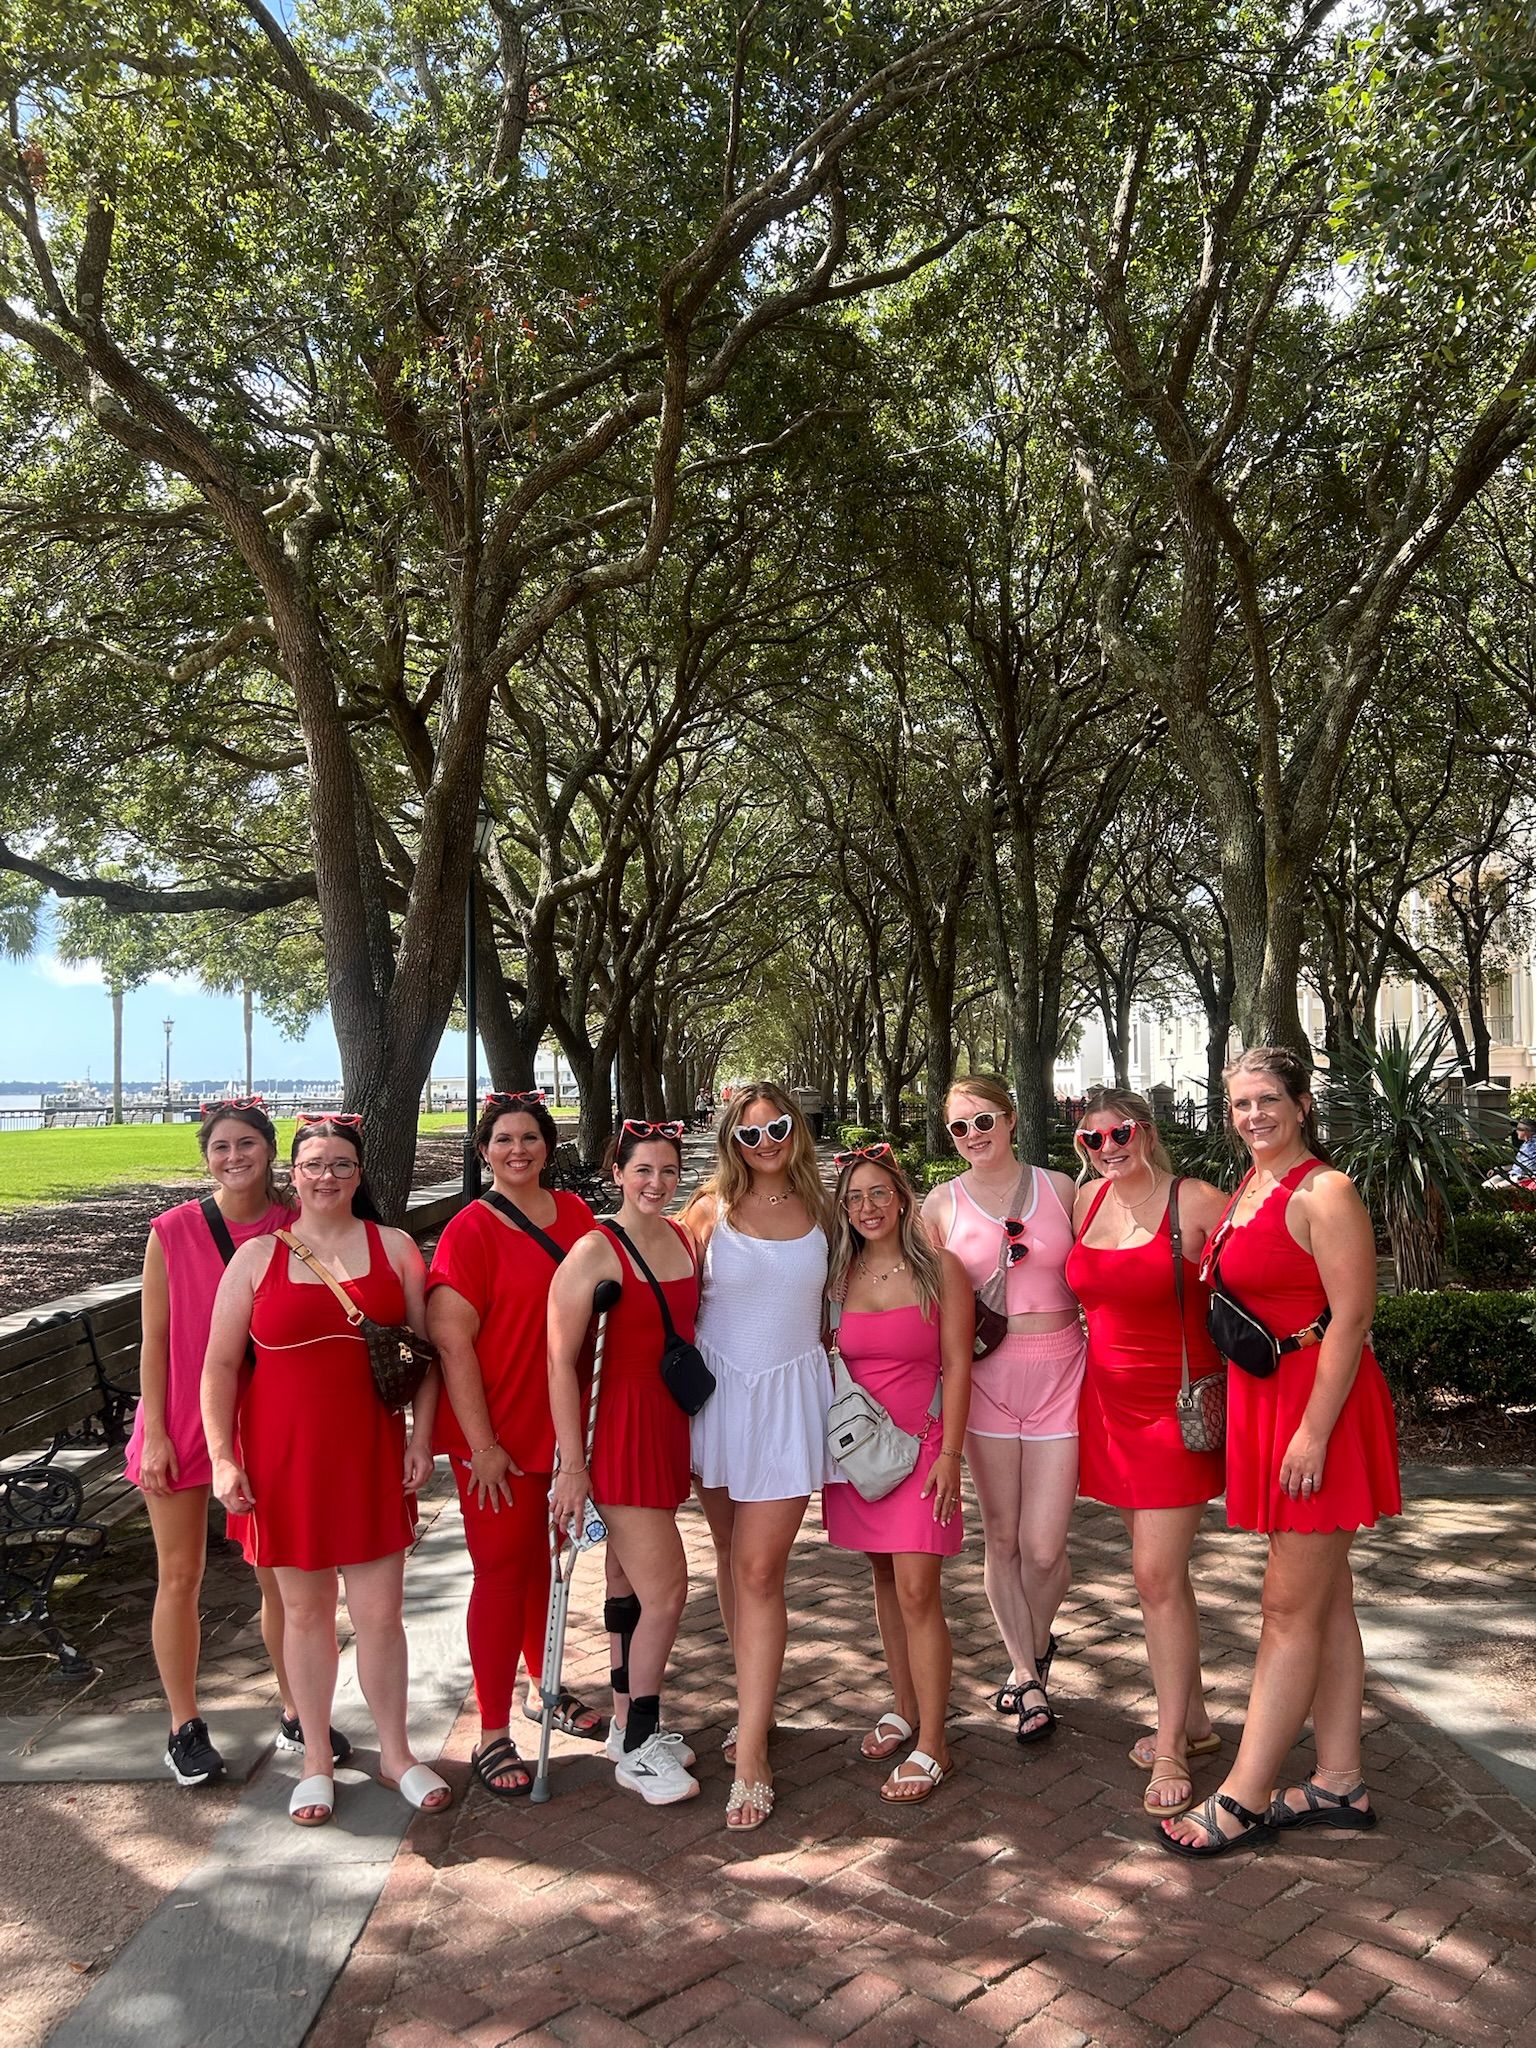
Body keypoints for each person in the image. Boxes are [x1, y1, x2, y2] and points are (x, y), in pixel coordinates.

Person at [1158, 1047, 1401, 1857]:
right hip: (1270, 1406)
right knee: (1326, 1599)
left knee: (1286, 1609)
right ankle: (1340, 1781)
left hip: (1315, 1410)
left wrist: (1313, 1431)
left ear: (1301, 1104)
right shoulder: (1252, 1186)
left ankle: (1247, 1794)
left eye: (1267, 1100)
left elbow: (1354, 1317)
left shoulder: (1325, 1190)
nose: (1253, 1115)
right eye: (1238, 1104)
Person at [201, 1115, 450, 1827]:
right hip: (282, 1462)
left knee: (380, 1617)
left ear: (359, 1173)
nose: (327, 1176)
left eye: (341, 1164)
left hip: (370, 1454)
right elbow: (218, 1367)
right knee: (306, 1616)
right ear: (294, 1173)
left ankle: (396, 1752)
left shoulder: (395, 1249)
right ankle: (315, 1757)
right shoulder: (255, 1260)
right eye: (313, 1164)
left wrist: (420, 1440)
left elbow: (422, 1357)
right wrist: (223, 1458)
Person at [125, 1099, 345, 1787]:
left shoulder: (294, 1226)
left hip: (268, 1425)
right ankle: (183, 1724)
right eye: (220, 1147)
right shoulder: (174, 1230)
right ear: (206, 1156)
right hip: (184, 1423)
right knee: (180, 1575)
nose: (234, 1157)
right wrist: (155, 1428)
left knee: (277, 1580)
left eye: (246, 1144)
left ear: (270, 1151)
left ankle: (295, 1710)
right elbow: (156, 1340)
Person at [421, 1090, 602, 1802]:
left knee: (543, 1562)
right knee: (500, 1569)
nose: (517, 1149)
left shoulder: (578, 1217)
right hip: (493, 1432)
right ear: (483, 1150)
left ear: (547, 1146)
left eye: (529, 1137)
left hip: (560, 1426)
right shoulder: (471, 1229)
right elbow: (450, 1338)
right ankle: (491, 1730)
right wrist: (482, 1443)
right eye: (503, 1140)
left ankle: (543, 1685)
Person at [1065, 1088, 1227, 1820]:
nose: (1108, 1148)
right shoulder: (1085, 1205)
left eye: (1120, 1133)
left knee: (1155, 1577)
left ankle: (1167, 1749)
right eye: (1092, 1140)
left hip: (1173, 1413)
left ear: (1148, 1132)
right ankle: (1192, 1723)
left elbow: (1272, 1270)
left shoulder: (1193, 1201)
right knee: (1160, 1579)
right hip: (1106, 1409)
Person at [682, 1081, 833, 1830]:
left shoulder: (825, 1210)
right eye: (749, 1135)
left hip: (788, 1401)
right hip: (718, 1399)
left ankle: (751, 1756)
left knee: (760, 1568)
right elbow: (660, 1283)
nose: (766, 1142)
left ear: (795, 1129)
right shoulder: (709, 1209)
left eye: (776, 1128)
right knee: (728, 1556)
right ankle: (754, 1709)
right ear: (730, 1143)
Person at [919, 1075, 1081, 1745]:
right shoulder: (939, 1205)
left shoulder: (1064, 1190)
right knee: (1004, 1540)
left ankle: (1031, 1652)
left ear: (1011, 1118)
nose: (973, 1135)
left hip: (1063, 1373)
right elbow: (921, 1302)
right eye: (959, 1127)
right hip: (986, 1382)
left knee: (1045, 1551)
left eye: (983, 1119)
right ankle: (1027, 1675)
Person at [548, 1120, 701, 1806]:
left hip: (668, 1423)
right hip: (617, 1433)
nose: (656, 1184)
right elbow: (558, 1360)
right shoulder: (592, 1251)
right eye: (643, 1170)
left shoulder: (682, 1238)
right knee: (669, 1588)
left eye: (668, 1171)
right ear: (617, 1173)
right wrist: (572, 1467)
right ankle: (641, 1742)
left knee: (628, 1580)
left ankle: (620, 1722)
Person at [824, 1144, 972, 1802]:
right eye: (855, 1199)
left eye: (879, 1193)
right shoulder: (837, 1278)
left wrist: (950, 1456)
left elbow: (959, 1367)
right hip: (861, 1453)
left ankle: (935, 1743)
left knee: (918, 1591)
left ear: (903, 1196)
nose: (868, 1208)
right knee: (883, 1577)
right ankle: (905, 1706)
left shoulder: (943, 1270)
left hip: (924, 1446)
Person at [1508, 1116, 1536, 1185]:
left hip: (1524, 1178)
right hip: (1514, 1174)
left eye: (1518, 1129)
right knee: (1487, 1184)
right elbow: (1520, 1164)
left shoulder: (1534, 1144)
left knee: (1488, 1186)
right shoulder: (1526, 1144)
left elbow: (1527, 1167)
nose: (1516, 1131)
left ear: (1527, 1130)